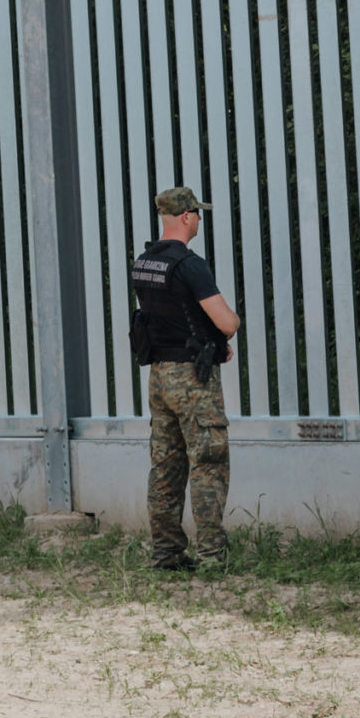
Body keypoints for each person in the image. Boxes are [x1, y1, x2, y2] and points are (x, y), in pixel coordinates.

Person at [130, 187, 243, 571]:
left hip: (159, 377)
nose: (199, 219)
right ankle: (212, 557)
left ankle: (165, 555)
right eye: (197, 213)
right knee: (208, 461)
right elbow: (226, 321)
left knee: (165, 466)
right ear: (185, 217)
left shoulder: (144, 262)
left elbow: (169, 317)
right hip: (193, 379)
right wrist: (224, 335)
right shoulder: (191, 265)